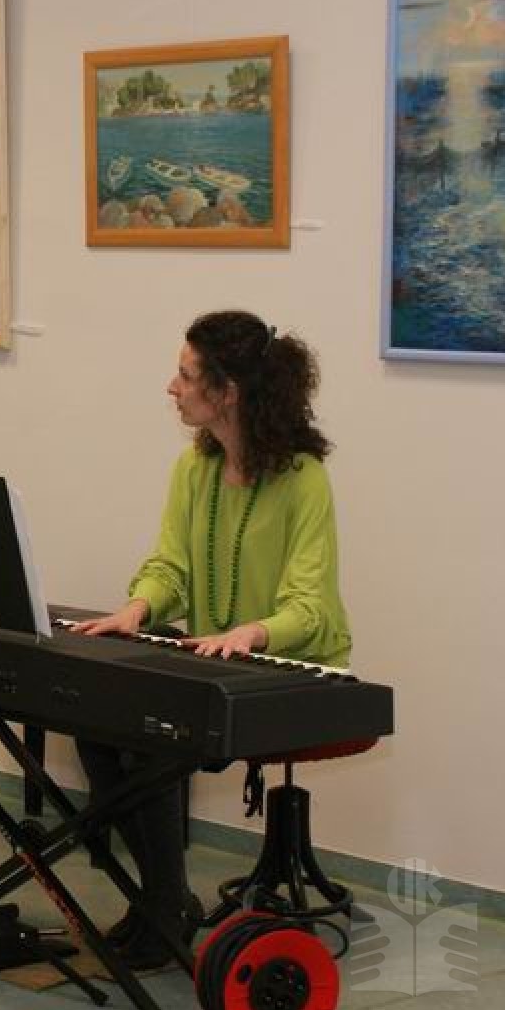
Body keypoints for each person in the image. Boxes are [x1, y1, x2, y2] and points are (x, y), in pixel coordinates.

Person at [69, 309, 352, 969]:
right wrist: (137, 607)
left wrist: (248, 632)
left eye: (186, 374)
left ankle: (162, 909)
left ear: (226, 391)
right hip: (216, 658)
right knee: (99, 719)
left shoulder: (304, 479)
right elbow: (170, 565)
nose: (172, 387)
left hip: (295, 665)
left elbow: (310, 606)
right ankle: (165, 899)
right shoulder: (194, 469)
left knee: (154, 739)